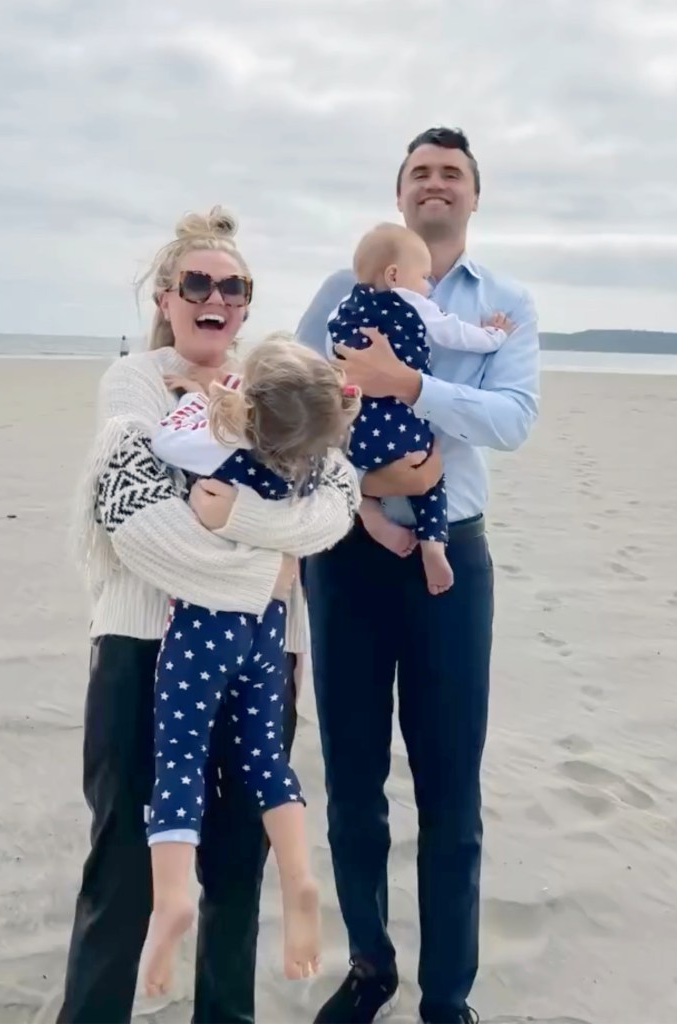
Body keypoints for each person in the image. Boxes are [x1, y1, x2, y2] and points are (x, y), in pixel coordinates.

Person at [59, 206, 360, 1024]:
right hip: (140, 645)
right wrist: (271, 560)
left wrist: (231, 523)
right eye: (197, 282)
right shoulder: (135, 383)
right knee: (124, 865)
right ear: (166, 296)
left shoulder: (274, 382)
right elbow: (139, 529)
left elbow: (337, 502)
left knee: (236, 863)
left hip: (266, 654)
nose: (215, 297)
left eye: (235, 286)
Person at [297, 128, 540, 1024]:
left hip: (451, 564)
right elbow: (289, 407)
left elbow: (513, 420)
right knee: (354, 783)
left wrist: (410, 384)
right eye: (420, 173)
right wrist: (366, 482)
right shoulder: (340, 291)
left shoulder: (503, 305)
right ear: (400, 196)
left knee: (450, 789)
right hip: (346, 557)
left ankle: (448, 997)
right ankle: (369, 969)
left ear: (474, 197)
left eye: (452, 174)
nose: (435, 184)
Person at [140, 335, 361, 994]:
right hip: (266, 630)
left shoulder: (219, 443)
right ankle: (298, 877)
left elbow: (164, 440)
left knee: (178, 757)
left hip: (206, 621)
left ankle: (171, 897)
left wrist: (210, 402)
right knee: (265, 758)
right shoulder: (313, 460)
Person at [327, 220, 513, 594]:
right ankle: (433, 545)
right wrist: (495, 335)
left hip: (357, 423)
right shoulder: (413, 302)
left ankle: (371, 514)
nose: (428, 286)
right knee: (428, 475)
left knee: (355, 464)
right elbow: (454, 333)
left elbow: (332, 350)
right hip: (400, 421)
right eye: (424, 277)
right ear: (395, 275)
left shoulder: (343, 306)